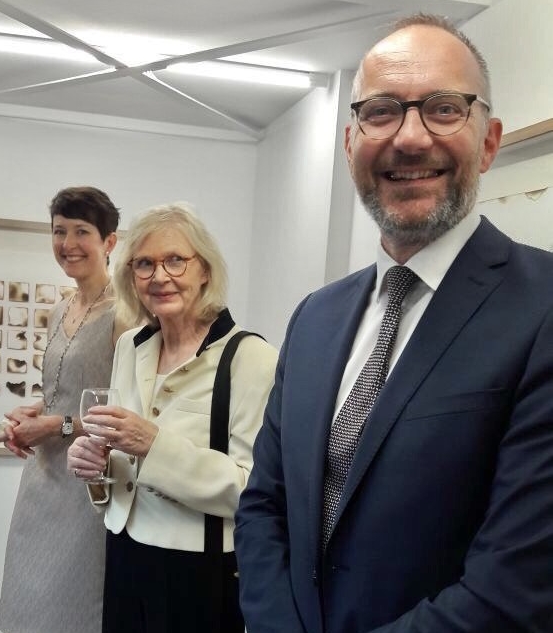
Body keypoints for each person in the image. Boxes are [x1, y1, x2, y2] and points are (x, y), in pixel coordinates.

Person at [234, 13, 553, 633]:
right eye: (380, 111)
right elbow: (264, 507)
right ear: (351, 143)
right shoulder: (314, 318)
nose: (409, 138)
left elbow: (519, 582)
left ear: (488, 143)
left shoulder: (542, 309)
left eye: (442, 108)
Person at [67, 202, 278, 633]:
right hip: (124, 551)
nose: (159, 276)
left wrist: (153, 444)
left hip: (199, 571)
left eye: (175, 260)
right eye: (144, 264)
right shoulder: (131, 345)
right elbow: (121, 463)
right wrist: (97, 467)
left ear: (205, 270)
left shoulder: (251, 358)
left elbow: (253, 490)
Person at [0, 186, 133, 633]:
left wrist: (57, 424)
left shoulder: (127, 314)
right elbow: (66, 391)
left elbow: (128, 406)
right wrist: (32, 415)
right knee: (24, 603)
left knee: (69, 608)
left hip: (84, 482)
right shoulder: (60, 309)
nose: (67, 244)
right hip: (40, 481)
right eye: (59, 231)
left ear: (109, 242)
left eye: (81, 231)